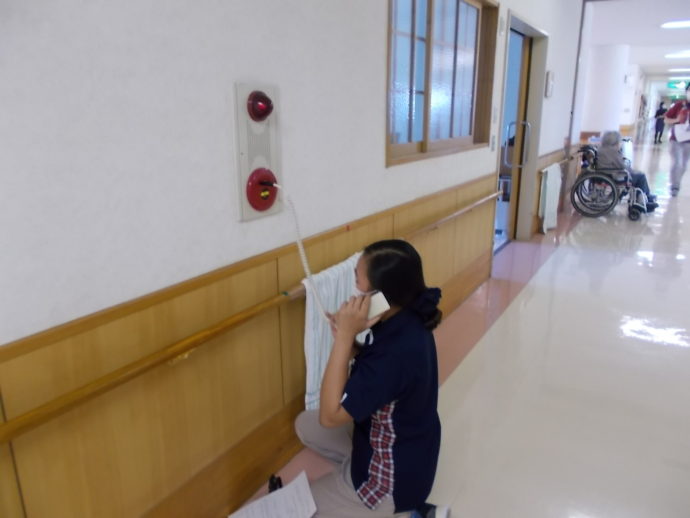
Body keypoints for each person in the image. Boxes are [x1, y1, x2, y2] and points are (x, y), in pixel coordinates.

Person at [295, 239, 448, 518]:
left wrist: (344, 339)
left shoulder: (394, 356)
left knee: (304, 509)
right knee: (304, 424)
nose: (354, 290)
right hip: (411, 447)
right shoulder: (408, 314)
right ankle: (361, 466)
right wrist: (351, 340)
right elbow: (377, 368)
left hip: (391, 482)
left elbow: (330, 416)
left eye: (357, 281)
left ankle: (410, 512)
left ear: (381, 296)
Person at [596, 130, 659, 211]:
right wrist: (631, 170)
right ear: (614, 142)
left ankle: (646, 197)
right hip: (615, 175)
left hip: (608, 173)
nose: (620, 143)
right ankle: (644, 199)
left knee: (638, 175)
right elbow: (621, 166)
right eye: (619, 142)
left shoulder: (602, 149)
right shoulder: (612, 151)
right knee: (641, 176)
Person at [664, 83, 690, 196]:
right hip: (676, 139)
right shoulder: (679, 105)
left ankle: (676, 182)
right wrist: (677, 120)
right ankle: (675, 186)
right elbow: (666, 119)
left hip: (688, 141)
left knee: (684, 165)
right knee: (677, 163)